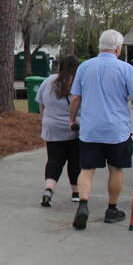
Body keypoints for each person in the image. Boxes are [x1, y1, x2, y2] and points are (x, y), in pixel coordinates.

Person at [68, 29, 133, 230]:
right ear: (118, 48)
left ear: (100, 46)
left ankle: (83, 204)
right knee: (116, 169)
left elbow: (75, 98)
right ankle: (112, 209)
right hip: (117, 130)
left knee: (87, 170)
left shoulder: (85, 67)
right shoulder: (126, 69)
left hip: (90, 128)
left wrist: (72, 118)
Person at [36, 55, 81, 207]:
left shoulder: (49, 81)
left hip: (52, 128)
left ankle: (49, 189)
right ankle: (76, 192)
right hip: (73, 129)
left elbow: (40, 103)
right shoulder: (78, 83)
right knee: (75, 161)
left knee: (54, 160)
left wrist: (44, 118)